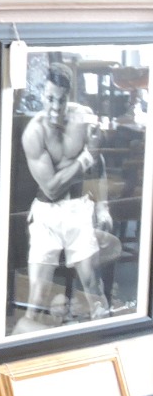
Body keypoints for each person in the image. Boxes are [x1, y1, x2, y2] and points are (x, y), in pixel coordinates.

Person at [16, 62, 120, 330]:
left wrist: (103, 207)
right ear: (42, 95)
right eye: (50, 98)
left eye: (60, 100)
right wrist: (85, 159)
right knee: (38, 295)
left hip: (78, 208)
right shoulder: (33, 134)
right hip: (46, 212)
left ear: (68, 97)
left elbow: (99, 163)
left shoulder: (82, 117)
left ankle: (104, 344)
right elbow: (51, 187)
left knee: (92, 285)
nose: (54, 107)